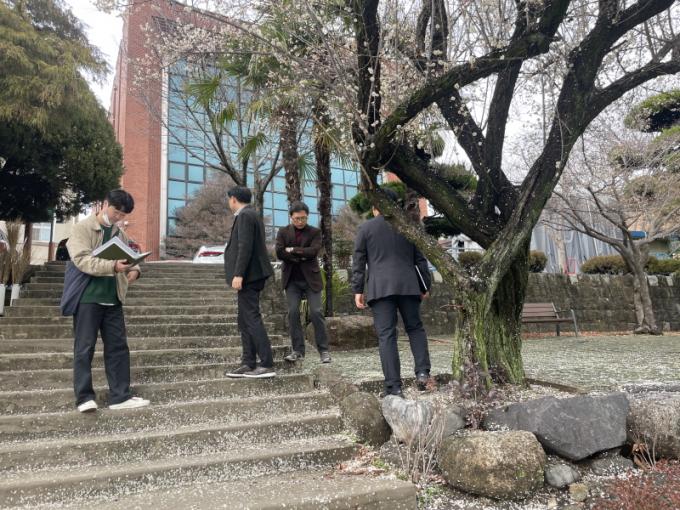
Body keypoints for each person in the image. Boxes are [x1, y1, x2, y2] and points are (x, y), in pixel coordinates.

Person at [66, 189, 150, 413]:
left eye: (123, 215)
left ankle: (120, 396)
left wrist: (135, 269)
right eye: (116, 212)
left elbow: (128, 256)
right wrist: (112, 266)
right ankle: (84, 398)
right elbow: (81, 260)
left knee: (118, 348)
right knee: (84, 348)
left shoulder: (118, 233)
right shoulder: (82, 228)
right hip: (87, 297)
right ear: (105, 204)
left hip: (113, 298)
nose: (118, 217)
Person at [351, 188, 432, 397]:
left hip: (380, 288)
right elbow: (420, 259)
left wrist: (358, 289)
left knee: (386, 336)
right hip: (408, 285)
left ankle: (394, 387)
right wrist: (425, 285)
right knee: (415, 328)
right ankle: (423, 373)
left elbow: (358, 261)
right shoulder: (409, 226)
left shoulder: (366, 228)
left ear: (375, 207)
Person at [223, 186, 276, 379]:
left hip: (249, 276)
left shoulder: (245, 215)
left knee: (251, 318)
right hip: (252, 274)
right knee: (244, 319)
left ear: (233, 199)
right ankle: (248, 362)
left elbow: (245, 246)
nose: (229, 202)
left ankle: (267, 363)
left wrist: (239, 274)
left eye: (229, 199)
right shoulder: (250, 214)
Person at [275, 201, 331, 364]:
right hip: (291, 279)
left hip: (311, 279)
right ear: (291, 217)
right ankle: (298, 350)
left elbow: (313, 252)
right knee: (293, 312)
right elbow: (279, 252)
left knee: (316, 312)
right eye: (297, 218)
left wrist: (292, 250)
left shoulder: (315, 232)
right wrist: (301, 255)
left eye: (304, 218)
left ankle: (324, 350)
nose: (300, 221)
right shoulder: (283, 232)